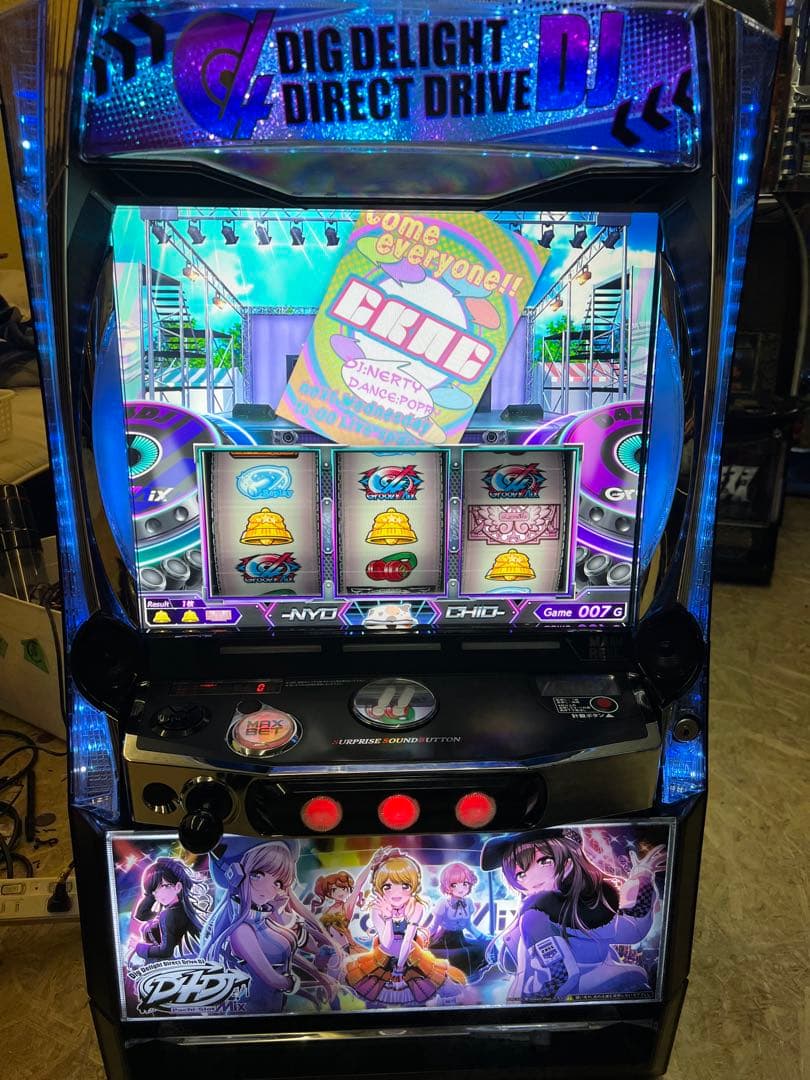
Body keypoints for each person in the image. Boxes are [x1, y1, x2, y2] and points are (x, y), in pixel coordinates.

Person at [480, 829, 666, 1003]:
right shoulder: (537, 912)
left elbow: (558, 978)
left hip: (576, 1001)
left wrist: (641, 879)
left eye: (544, 861)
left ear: (567, 863)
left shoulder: (542, 915)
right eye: (520, 874)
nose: (532, 878)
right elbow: (633, 926)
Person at [201, 841, 340, 1012]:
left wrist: (320, 976)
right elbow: (274, 979)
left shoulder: (264, 919)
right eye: (257, 874)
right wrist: (299, 984)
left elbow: (287, 953)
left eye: (278, 882)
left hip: (274, 1009)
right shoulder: (241, 930)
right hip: (252, 1014)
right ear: (234, 875)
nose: (269, 889)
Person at [345, 851, 466, 1006]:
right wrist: (388, 919)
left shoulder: (416, 906)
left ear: (413, 886)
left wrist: (400, 966)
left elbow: (408, 940)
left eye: (405, 886)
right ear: (379, 888)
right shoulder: (377, 909)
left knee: (424, 990)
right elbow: (386, 944)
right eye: (388, 886)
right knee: (373, 993)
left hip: (411, 955)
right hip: (383, 957)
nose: (397, 893)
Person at [311, 847, 395, 954]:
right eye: (334, 889)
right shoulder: (326, 910)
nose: (339, 892)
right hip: (328, 949)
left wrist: (371, 863)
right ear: (328, 893)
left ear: (348, 888)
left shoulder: (347, 906)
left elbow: (359, 884)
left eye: (343, 888)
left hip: (344, 949)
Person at [132, 856, 204, 960]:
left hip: (164, 964)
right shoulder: (182, 910)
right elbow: (141, 915)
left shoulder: (168, 914)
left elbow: (166, 951)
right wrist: (150, 892)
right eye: (154, 890)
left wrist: (139, 948)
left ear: (178, 887)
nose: (156, 893)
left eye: (162, 886)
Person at [427, 861, 489, 977]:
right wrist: (423, 938)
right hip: (443, 940)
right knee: (449, 956)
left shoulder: (468, 902)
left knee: (483, 946)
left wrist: (482, 937)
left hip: (460, 938)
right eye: (454, 885)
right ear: (446, 886)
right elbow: (434, 926)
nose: (461, 888)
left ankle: (474, 977)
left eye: (465, 883)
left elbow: (469, 925)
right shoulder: (443, 903)